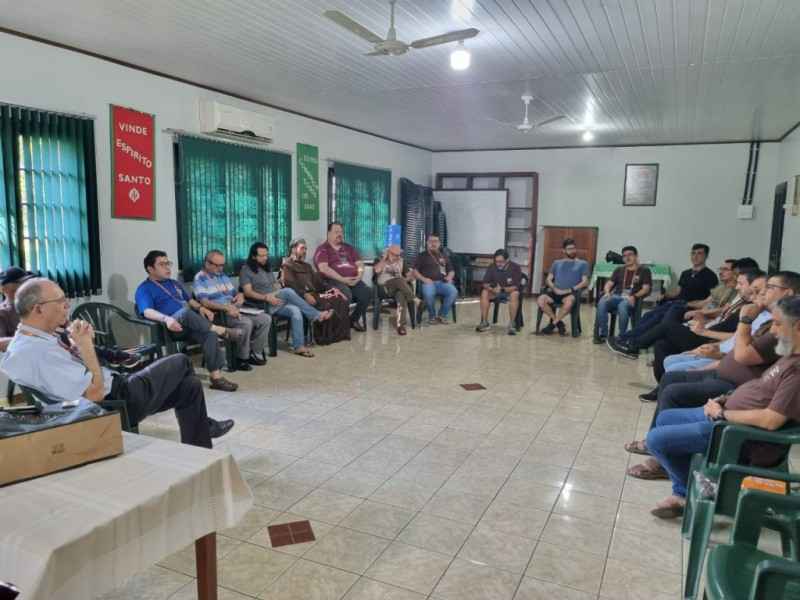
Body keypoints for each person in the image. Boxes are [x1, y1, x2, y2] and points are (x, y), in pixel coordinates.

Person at [0, 278, 235, 448]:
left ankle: (199, 451)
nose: (67, 306)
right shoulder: (36, 353)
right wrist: (86, 346)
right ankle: (206, 426)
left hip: (116, 388)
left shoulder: (32, 339)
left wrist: (76, 344)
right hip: (115, 404)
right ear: (38, 309)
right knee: (181, 361)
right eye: (61, 301)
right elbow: (94, 395)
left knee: (189, 386)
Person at [641, 295, 800, 519]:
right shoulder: (789, 355)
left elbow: (771, 420)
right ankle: (695, 484)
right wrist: (725, 399)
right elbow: (760, 389)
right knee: (665, 418)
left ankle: (687, 491)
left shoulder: (797, 371)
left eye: (777, 323)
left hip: (740, 435)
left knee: (656, 439)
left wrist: (723, 413)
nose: (772, 331)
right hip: (728, 417)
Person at [623, 275, 797, 466]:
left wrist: (745, 320)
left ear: (788, 293)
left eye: (769, 287)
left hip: (731, 395)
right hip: (726, 385)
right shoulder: (774, 329)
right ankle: (663, 447)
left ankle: (661, 454)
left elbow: (743, 357)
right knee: (670, 376)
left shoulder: (784, 343)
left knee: (672, 390)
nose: (763, 292)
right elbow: (738, 351)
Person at [135, 251, 239, 392]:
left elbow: (189, 300)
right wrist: (167, 319)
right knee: (185, 312)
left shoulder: (174, 283)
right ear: (150, 268)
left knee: (209, 334)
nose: (167, 267)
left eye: (168, 263)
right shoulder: (144, 288)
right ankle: (221, 330)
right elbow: (147, 311)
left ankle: (216, 378)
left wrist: (202, 308)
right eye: (162, 264)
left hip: (189, 324)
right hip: (169, 327)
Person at [613, 244, 718, 345]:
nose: (695, 256)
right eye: (693, 253)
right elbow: (678, 292)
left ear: (706, 256)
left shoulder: (710, 276)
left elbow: (710, 301)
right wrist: (666, 295)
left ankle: (627, 340)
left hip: (688, 308)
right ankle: (630, 339)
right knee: (648, 315)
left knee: (657, 318)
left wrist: (691, 305)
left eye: (699, 253)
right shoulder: (685, 273)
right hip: (676, 303)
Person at [240, 242, 332, 357]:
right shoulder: (246, 270)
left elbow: (273, 286)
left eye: (266, 255)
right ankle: (316, 315)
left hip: (276, 301)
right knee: (288, 291)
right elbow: (247, 292)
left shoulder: (266, 268)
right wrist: (266, 297)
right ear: (253, 256)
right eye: (261, 256)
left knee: (295, 310)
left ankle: (298, 347)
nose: (265, 258)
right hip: (262, 303)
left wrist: (279, 284)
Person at [193, 250, 271, 370]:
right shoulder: (200, 278)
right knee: (246, 323)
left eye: (222, 265)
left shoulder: (223, 276)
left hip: (236, 309)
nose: (220, 268)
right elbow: (204, 302)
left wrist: (240, 296)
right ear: (207, 263)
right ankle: (241, 358)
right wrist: (226, 307)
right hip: (218, 315)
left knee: (265, 319)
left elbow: (235, 293)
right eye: (217, 265)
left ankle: (253, 352)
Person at [282, 238, 351, 345]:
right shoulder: (287, 265)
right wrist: (304, 294)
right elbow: (290, 285)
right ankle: (324, 337)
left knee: (339, 299)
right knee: (326, 304)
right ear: (293, 249)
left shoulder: (307, 266)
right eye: (302, 248)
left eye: (306, 249)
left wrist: (332, 289)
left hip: (315, 294)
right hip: (300, 297)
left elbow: (319, 283)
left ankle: (338, 335)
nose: (305, 251)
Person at [313, 222, 371, 332]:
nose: (340, 234)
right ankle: (340, 326)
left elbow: (360, 264)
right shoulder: (322, 249)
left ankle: (353, 320)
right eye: (336, 232)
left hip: (353, 280)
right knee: (345, 294)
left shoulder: (349, 248)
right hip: (333, 281)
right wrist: (343, 279)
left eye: (341, 232)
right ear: (329, 233)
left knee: (367, 292)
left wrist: (358, 277)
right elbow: (324, 268)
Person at [593, 246, 652, 343]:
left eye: (630, 255)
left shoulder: (644, 270)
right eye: (624, 256)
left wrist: (634, 296)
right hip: (617, 296)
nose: (627, 258)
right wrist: (607, 292)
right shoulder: (619, 269)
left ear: (636, 256)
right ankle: (604, 333)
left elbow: (646, 289)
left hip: (631, 298)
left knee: (622, 305)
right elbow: (609, 284)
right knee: (602, 301)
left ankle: (622, 336)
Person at [536, 238, 589, 336]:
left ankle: (552, 325)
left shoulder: (582, 264)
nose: (572, 251)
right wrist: (554, 288)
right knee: (540, 300)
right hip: (555, 292)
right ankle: (559, 323)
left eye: (574, 248)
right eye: (569, 249)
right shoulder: (556, 263)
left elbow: (585, 282)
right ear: (564, 251)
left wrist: (570, 289)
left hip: (570, 293)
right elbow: (548, 279)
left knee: (568, 303)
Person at [374, 244, 420, 335]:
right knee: (399, 280)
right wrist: (384, 259)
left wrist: (410, 277)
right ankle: (416, 300)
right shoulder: (379, 260)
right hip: (384, 287)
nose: (397, 257)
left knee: (401, 294)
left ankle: (400, 326)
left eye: (398, 255)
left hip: (399, 287)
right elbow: (376, 270)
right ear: (388, 253)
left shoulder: (402, 261)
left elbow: (409, 277)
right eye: (395, 255)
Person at [412, 234, 459, 325]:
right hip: (428, 282)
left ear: (439, 243)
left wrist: (449, 277)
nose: (433, 244)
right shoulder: (422, 255)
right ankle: (432, 316)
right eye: (431, 241)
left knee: (453, 291)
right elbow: (415, 271)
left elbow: (451, 270)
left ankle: (442, 315)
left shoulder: (444, 256)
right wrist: (424, 279)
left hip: (442, 282)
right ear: (427, 243)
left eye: (435, 241)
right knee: (429, 293)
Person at [476, 249, 523, 335]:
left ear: (507, 260)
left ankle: (512, 324)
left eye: (501, 261)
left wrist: (502, 289)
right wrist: (491, 289)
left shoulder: (515, 267)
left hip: (509, 292)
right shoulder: (492, 266)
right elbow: (485, 283)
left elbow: (516, 286)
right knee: (484, 292)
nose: (498, 264)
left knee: (515, 294)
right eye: (496, 261)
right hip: (494, 291)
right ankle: (484, 322)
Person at [0, 267, 33, 352]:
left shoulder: (35, 305)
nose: (26, 285)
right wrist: (32, 340)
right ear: (4, 288)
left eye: (26, 281)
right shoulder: (3, 312)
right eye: (20, 282)